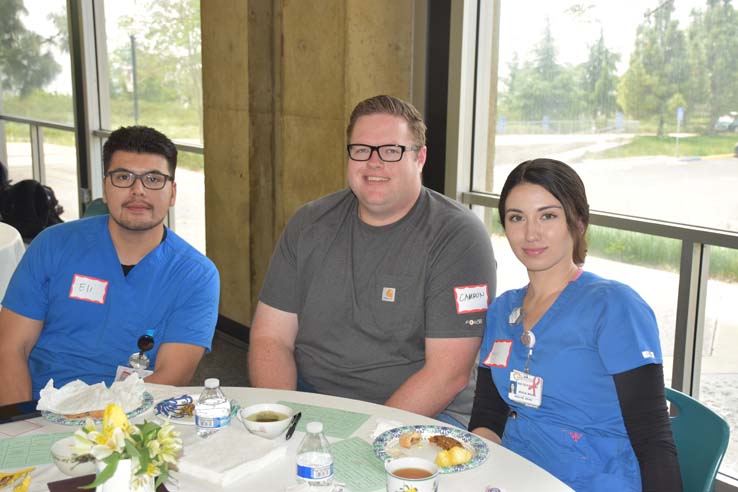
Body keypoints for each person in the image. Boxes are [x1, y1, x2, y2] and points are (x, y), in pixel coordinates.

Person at [248, 95, 496, 427]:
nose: (374, 163)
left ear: (420, 158)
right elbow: (271, 339)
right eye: (362, 149)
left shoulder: (458, 237)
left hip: (422, 415)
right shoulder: (309, 224)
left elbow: (446, 375)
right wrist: (278, 417)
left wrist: (366, 436)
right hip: (312, 400)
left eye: (392, 151)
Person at [469, 158, 681, 491]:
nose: (531, 233)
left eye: (548, 215)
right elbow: (487, 418)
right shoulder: (501, 311)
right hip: (517, 475)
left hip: (596, 480)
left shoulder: (614, 307)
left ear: (578, 220)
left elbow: (653, 438)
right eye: (516, 218)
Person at [0, 125, 220, 405]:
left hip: (128, 414)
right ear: (105, 187)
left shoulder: (196, 275)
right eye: (123, 177)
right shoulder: (53, 245)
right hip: (38, 403)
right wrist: (19, 425)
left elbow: (171, 376)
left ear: (172, 193)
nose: (138, 190)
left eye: (153, 179)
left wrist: (98, 426)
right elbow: (10, 348)